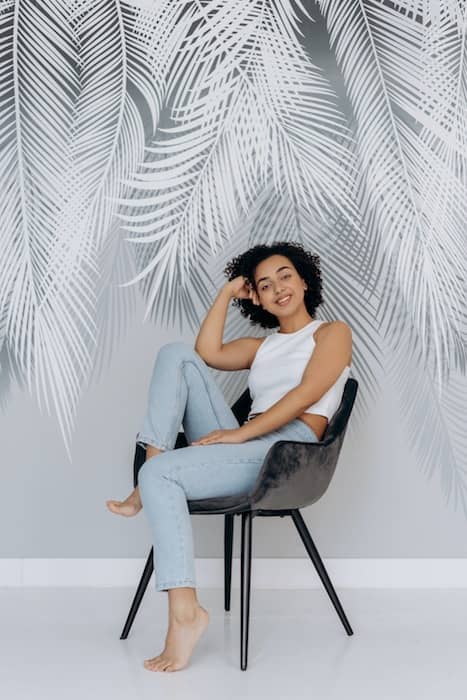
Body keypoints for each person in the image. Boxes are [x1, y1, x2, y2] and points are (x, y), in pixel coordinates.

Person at [106, 241, 352, 672]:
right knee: (176, 354)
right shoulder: (262, 347)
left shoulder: (332, 333)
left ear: (304, 280)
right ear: (256, 297)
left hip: (285, 453)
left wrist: (241, 435)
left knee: (160, 476)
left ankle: (184, 614)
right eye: (264, 284)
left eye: (285, 276)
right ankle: (151, 470)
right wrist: (225, 294)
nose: (278, 288)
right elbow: (207, 353)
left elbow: (305, 395)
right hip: (248, 442)